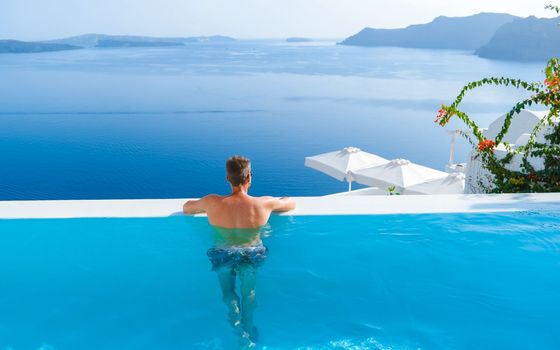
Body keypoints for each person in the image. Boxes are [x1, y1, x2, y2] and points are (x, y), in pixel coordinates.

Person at [183, 155, 296, 346]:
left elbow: (187, 208)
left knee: (228, 293)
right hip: (251, 252)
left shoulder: (213, 202)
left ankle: (238, 330)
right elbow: (290, 203)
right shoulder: (264, 203)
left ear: (228, 178)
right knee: (249, 293)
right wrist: (282, 199)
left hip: (223, 252)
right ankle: (249, 330)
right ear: (249, 177)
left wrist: (209, 207)